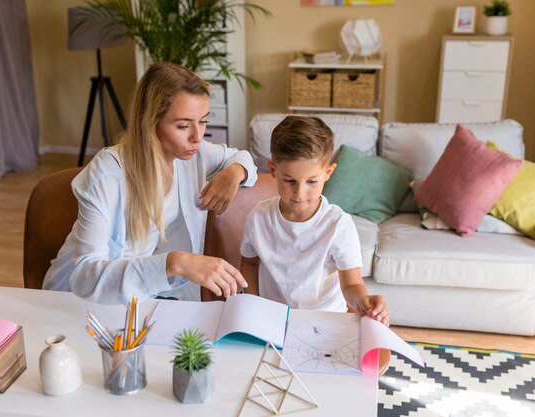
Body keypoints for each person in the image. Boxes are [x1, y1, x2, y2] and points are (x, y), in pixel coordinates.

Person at [43, 62, 257, 304]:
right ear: (150, 122)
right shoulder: (107, 174)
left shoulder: (191, 154)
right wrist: (175, 262)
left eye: (203, 121)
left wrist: (234, 173)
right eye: (183, 126)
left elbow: (242, 157)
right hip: (73, 303)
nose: (197, 137)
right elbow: (85, 277)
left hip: (136, 298)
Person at [240, 116, 389, 325]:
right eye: (289, 180)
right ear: (273, 170)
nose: (299, 193)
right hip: (272, 319)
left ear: (328, 172)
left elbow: (351, 285)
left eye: (311, 181)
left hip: (325, 320)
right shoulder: (258, 218)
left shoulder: (339, 225)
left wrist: (364, 300)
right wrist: (253, 304)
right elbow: (249, 262)